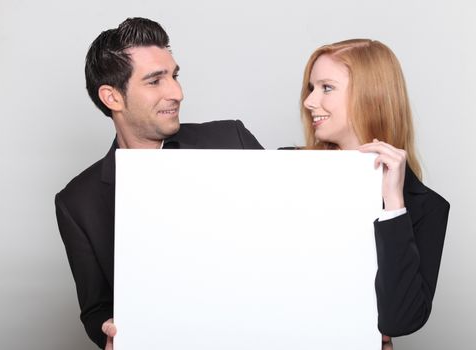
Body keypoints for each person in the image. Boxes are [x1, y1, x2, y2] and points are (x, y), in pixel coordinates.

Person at [55, 17, 262, 349]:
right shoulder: (77, 202)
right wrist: (106, 330)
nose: (177, 92)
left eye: (174, 75)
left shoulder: (231, 139)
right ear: (112, 97)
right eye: (155, 81)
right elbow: (96, 309)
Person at [299, 39, 449, 349]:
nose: (310, 101)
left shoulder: (425, 206)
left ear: (371, 96)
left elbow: (399, 320)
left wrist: (394, 205)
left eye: (326, 88)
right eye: (311, 88)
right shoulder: (289, 173)